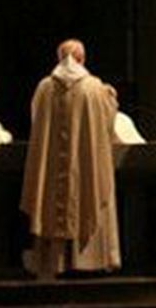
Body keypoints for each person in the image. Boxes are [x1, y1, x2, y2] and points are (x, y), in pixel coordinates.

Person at [20, 40, 121, 275]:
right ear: (82, 59)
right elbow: (107, 123)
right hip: (85, 167)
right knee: (87, 192)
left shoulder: (45, 87)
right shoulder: (95, 88)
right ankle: (87, 261)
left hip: (53, 167)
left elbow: (37, 120)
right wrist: (111, 98)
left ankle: (55, 262)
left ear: (59, 58)